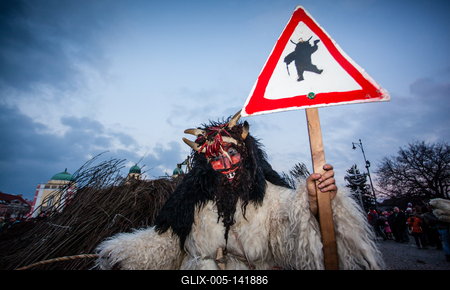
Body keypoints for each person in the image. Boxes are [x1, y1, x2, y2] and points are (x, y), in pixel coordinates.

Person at [96, 111, 384, 270]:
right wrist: (129, 254)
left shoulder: (272, 198)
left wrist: (310, 202)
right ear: (205, 164)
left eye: (231, 152)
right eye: (214, 158)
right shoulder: (190, 203)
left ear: (246, 155)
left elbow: (294, 228)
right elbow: (168, 243)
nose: (225, 163)